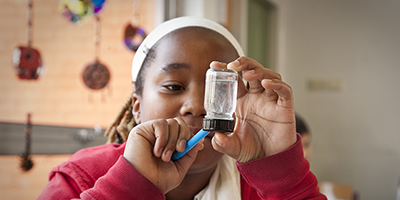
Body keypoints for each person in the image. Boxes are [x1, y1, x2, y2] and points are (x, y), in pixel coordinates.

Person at [38, 16, 326, 200]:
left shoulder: (263, 188)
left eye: (219, 90)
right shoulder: (82, 179)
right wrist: (131, 186)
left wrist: (281, 172)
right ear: (136, 107)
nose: (198, 107)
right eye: (174, 86)